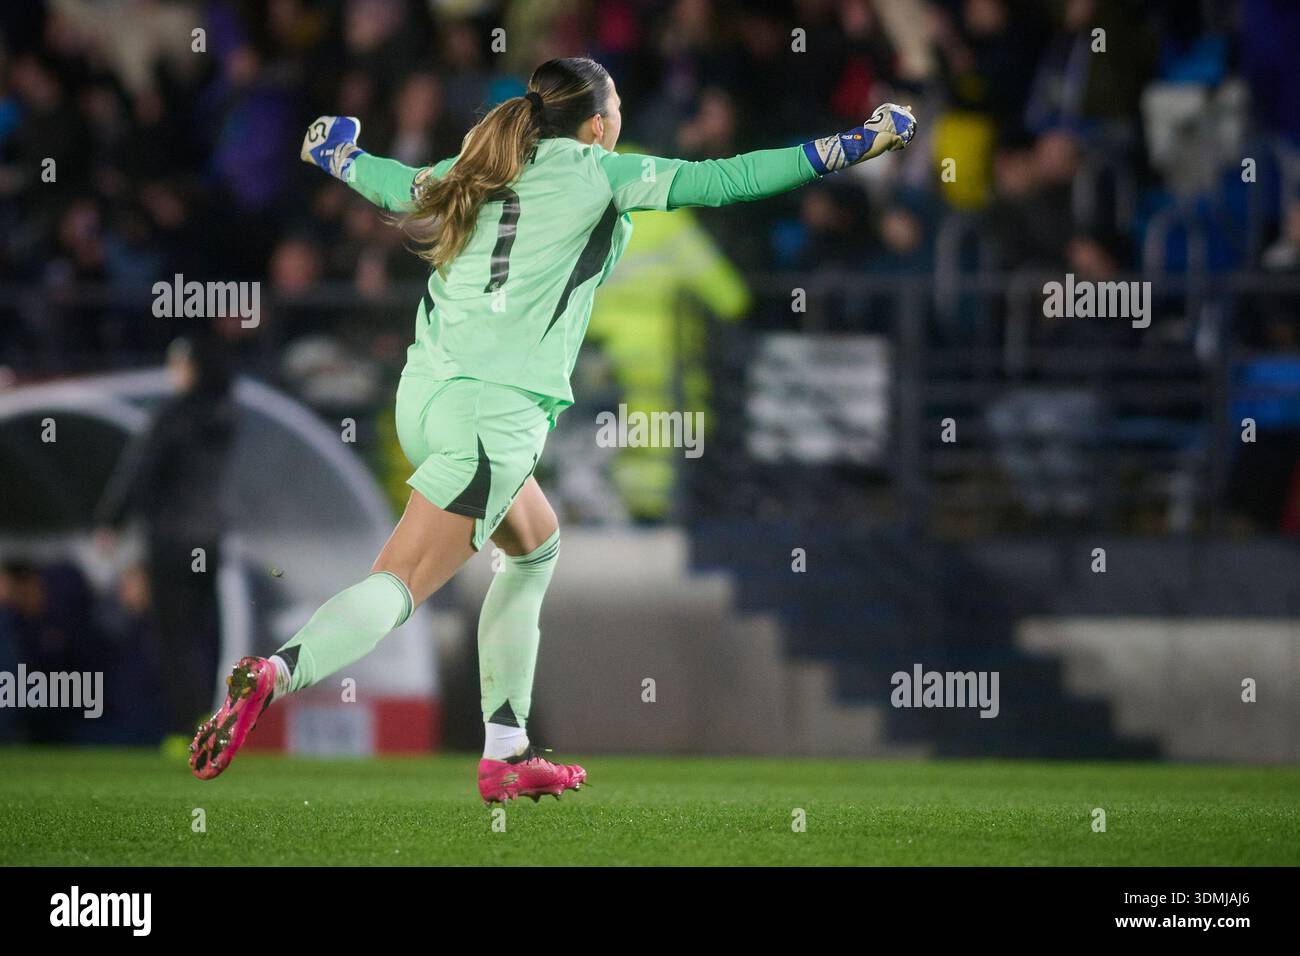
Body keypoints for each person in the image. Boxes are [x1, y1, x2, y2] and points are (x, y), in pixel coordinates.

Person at [189, 57, 916, 803]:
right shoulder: (604, 173)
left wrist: (336, 153)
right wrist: (853, 145)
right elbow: (730, 178)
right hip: (493, 415)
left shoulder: (481, 164)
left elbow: (392, 183)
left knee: (535, 545)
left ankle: (507, 749)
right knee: (403, 581)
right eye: (619, 106)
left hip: (428, 396)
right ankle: (276, 672)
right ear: (598, 123)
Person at [96, 334, 236, 743]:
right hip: (208, 541)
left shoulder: (174, 413)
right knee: (205, 634)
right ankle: (211, 722)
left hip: (172, 541)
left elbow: (143, 470)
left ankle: (183, 729)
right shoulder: (226, 416)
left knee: (174, 637)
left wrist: (112, 520)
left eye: (177, 364)